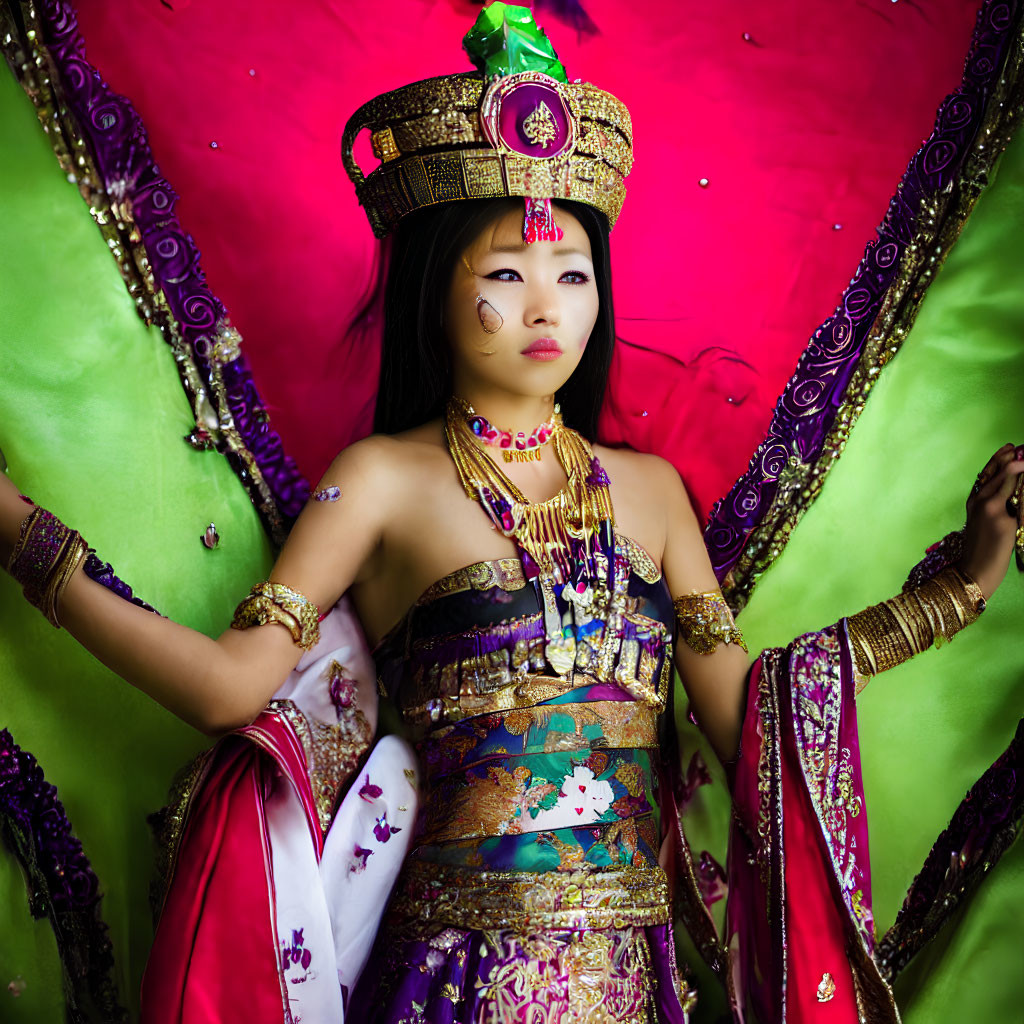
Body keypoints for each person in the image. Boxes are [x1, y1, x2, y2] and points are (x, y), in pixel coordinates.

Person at [1, 4, 1021, 1022]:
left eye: (572, 274)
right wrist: (21, 535)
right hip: (452, 982)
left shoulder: (651, 492)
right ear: (433, 296)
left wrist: (959, 591)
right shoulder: (382, 480)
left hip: (635, 985)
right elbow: (231, 689)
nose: (546, 307)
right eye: (505, 273)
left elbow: (752, 719)